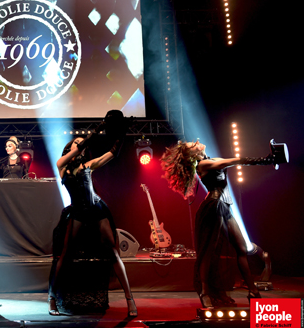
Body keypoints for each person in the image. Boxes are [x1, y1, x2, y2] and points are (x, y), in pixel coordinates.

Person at [160, 140, 270, 308]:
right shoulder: (203, 164)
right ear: (192, 155)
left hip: (224, 206)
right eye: (191, 145)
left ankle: (253, 290)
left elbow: (227, 162)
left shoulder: (210, 160)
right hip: (213, 207)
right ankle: (205, 292)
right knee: (209, 252)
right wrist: (264, 160)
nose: (196, 142)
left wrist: (266, 160)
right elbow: (233, 161)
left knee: (241, 248)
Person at [48, 111, 137, 317]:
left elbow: (112, 153)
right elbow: (74, 152)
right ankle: (52, 298)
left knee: (113, 252)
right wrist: (97, 128)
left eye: (82, 143)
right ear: (69, 148)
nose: (81, 145)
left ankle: (130, 299)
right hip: (78, 211)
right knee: (65, 255)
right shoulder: (62, 167)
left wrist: (122, 133)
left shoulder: (89, 165)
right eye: (76, 143)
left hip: (97, 209)